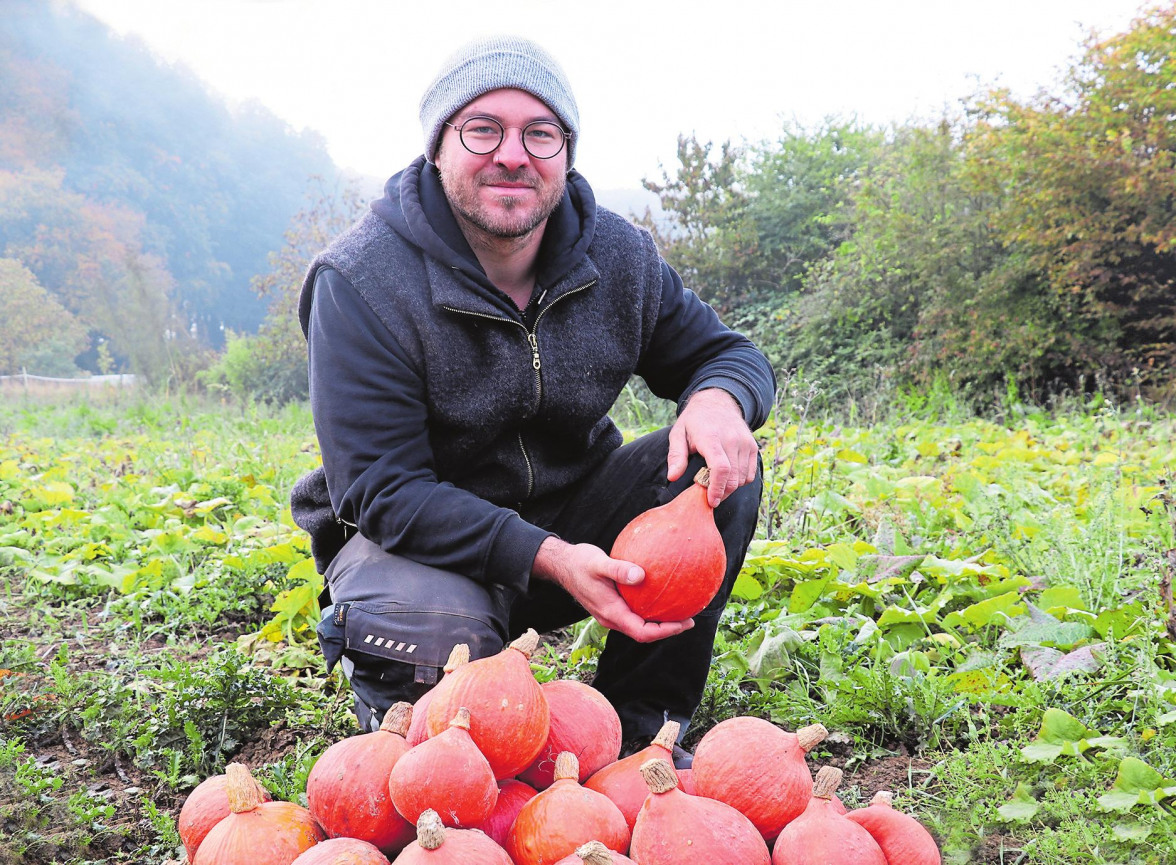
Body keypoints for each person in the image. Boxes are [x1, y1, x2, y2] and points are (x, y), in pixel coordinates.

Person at [291, 35, 775, 765]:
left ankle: (638, 737)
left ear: (566, 152)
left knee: (713, 475)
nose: (513, 154)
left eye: (539, 132)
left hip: (574, 525)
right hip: (424, 554)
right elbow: (383, 490)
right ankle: (424, 733)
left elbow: (726, 351)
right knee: (460, 729)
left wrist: (719, 395)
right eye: (483, 128)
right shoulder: (360, 281)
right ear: (439, 145)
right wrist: (545, 555)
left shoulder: (619, 256)